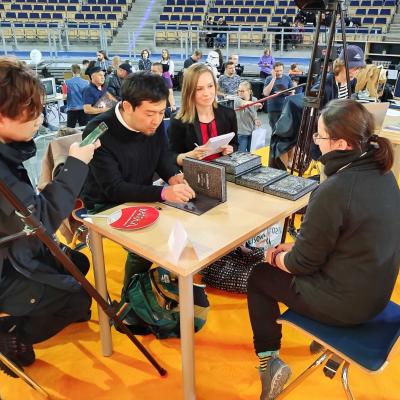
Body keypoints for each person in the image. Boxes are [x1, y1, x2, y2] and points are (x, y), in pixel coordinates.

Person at [247, 98, 400, 400]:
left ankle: (268, 362)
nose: (315, 141)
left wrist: (275, 256)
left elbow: (300, 264)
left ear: (341, 144)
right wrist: (299, 248)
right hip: (377, 296)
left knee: (259, 276)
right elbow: (348, 239)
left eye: (319, 135)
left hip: (349, 307)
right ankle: (318, 334)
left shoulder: (335, 189)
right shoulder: (384, 172)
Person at [0, 57, 99, 376]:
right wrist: (76, 165)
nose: (39, 119)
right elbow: (40, 220)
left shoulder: (8, 151)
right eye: (30, 111)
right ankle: (12, 336)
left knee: (78, 264)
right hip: (9, 263)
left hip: (20, 248)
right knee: (76, 295)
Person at [81, 71, 195, 291]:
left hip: (141, 193)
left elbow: (161, 155)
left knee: (185, 221)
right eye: (150, 114)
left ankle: (163, 285)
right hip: (106, 203)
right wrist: (164, 193)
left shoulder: (154, 123)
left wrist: (174, 177)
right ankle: (131, 298)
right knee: (146, 246)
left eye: (161, 112)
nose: (157, 121)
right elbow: (114, 189)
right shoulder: (98, 130)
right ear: (127, 106)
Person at [168, 63, 238, 166]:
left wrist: (231, 149)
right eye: (199, 89)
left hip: (224, 174)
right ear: (189, 91)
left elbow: (235, 144)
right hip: (193, 175)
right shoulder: (178, 120)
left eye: (210, 86)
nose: (207, 93)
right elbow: (170, 158)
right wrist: (188, 156)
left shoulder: (229, 114)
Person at [263, 62, 294, 132]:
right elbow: (266, 93)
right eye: (277, 71)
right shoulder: (269, 78)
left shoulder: (287, 78)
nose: (279, 73)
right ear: (273, 71)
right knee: (274, 129)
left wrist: (289, 92)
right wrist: (273, 78)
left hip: (285, 108)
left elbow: (292, 92)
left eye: (281, 70)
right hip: (273, 109)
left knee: (284, 129)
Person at [234, 81, 262, 152]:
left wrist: (256, 119)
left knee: (252, 152)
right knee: (241, 153)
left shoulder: (254, 99)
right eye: (239, 91)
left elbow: (254, 112)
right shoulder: (237, 100)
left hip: (252, 131)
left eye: (242, 91)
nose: (240, 93)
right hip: (242, 132)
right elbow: (244, 103)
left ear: (249, 91)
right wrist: (255, 104)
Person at [65, 64, 89, 128]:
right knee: (84, 128)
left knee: (70, 129)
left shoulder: (66, 82)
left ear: (72, 71)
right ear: (80, 71)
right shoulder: (87, 82)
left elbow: (64, 96)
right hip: (83, 108)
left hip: (72, 109)